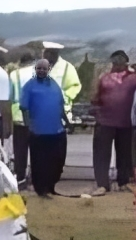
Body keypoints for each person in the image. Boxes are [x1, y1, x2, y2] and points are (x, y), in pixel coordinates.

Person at [90, 51, 136, 196]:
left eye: (121, 60)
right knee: (101, 154)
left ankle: (123, 182)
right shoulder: (104, 77)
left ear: (126, 62)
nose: (117, 63)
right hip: (104, 121)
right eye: (115, 60)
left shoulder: (133, 78)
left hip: (126, 122)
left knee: (125, 154)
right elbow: (93, 97)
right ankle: (102, 184)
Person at [20, 59, 66, 198]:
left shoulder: (54, 85)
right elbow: (24, 108)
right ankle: (41, 189)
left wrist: (67, 123)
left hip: (56, 130)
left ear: (49, 69)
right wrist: (29, 126)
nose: (41, 71)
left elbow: (60, 106)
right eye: (39, 68)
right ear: (35, 69)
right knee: (39, 161)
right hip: (38, 131)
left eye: (44, 68)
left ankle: (51, 186)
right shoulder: (29, 86)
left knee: (55, 161)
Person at [9, 52, 37, 186]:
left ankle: (20, 177)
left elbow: (10, 96)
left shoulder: (14, 74)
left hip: (19, 117)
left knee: (20, 149)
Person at [43, 42, 82, 126]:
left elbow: (75, 85)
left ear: (56, 53)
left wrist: (65, 96)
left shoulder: (67, 67)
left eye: (51, 53)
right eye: (46, 52)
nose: (47, 55)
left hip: (61, 112)